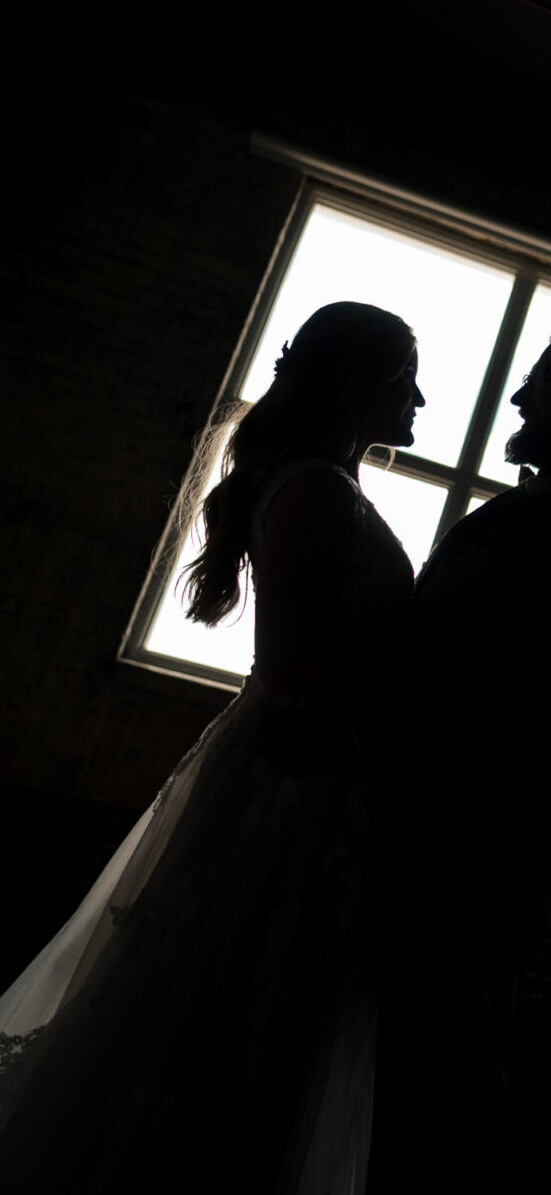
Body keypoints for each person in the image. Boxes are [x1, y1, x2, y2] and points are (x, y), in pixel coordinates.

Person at [0, 302, 425, 1193]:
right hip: (299, 791)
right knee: (231, 1014)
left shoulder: (331, 487)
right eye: (405, 379)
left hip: (322, 785)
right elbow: (295, 675)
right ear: (356, 383)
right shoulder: (313, 491)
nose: (420, 400)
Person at [371, 322, 551, 1187]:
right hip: (433, 812)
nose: (520, 394)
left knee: (451, 1065)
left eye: (543, 378)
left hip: (491, 828)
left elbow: (521, 664)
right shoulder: (515, 510)